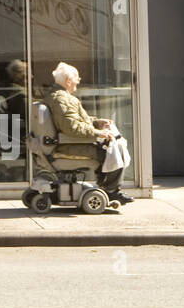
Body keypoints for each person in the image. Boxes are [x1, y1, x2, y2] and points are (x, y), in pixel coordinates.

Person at [48, 61, 133, 204]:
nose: (79, 81)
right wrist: (97, 133)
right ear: (68, 81)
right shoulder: (63, 99)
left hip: (68, 142)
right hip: (67, 146)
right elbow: (71, 127)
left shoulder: (60, 97)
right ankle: (111, 191)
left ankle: (106, 187)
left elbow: (75, 122)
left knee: (110, 147)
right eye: (77, 78)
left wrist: (96, 122)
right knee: (113, 149)